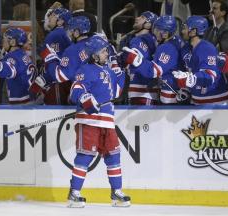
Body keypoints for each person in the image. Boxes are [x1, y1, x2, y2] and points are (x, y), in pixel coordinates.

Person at [67, 35, 130, 208]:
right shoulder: (85, 70)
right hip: (89, 121)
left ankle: (116, 192)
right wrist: (85, 97)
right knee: (85, 156)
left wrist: (122, 71)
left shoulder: (109, 71)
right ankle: (74, 193)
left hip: (107, 122)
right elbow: (76, 90)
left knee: (113, 155)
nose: (106, 54)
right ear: (94, 55)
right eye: (103, 51)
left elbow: (116, 92)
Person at [122, 15, 188, 105]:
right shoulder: (176, 41)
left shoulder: (167, 47)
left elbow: (155, 71)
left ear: (165, 33)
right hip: (176, 93)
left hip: (171, 96)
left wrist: (136, 60)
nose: (155, 33)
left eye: (157, 30)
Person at [173, 15, 228, 105]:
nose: (182, 31)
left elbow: (210, 76)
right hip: (196, 99)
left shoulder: (207, 49)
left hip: (217, 99)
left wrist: (190, 79)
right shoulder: (185, 49)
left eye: (185, 28)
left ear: (193, 31)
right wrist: (185, 89)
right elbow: (188, 71)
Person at [0, 28, 36, 104]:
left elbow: (7, 70)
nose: (3, 41)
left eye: (4, 39)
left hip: (20, 104)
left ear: (12, 42)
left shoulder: (12, 57)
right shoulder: (23, 54)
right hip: (29, 98)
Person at [122, 11, 159, 105]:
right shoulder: (152, 40)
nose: (137, 18)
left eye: (142, 17)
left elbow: (133, 62)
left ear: (148, 25)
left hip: (141, 91)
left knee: (141, 120)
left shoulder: (139, 40)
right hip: (147, 90)